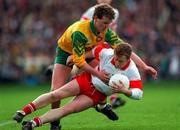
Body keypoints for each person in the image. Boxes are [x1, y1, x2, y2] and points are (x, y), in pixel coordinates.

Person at [43, 3, 157, 130]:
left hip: (89, 51)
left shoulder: (109, 25)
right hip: (68, 51)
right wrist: (95, 72)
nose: (107, 27)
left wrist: (144, 66)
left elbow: (125, 50)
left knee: (106, 75)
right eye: (105, 23)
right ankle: (55, 123)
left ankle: (101, 105)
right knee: (56, 89)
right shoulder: (86, 19)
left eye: (109, 24)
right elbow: (80, 56)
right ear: (95, 18)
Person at [13, 43, 145, 130]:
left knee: (67, 109)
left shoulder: (132, 71)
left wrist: (125, 91)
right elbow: (92, 51)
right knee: (56, 94)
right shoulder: (107, 52)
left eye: (120, 61)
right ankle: (23, 111)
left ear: (128, 59)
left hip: (96, 95)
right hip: (86, 79)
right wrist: (76, 57)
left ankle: (33, 123)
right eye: (115, 58)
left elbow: (139, 93)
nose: (116, 62)